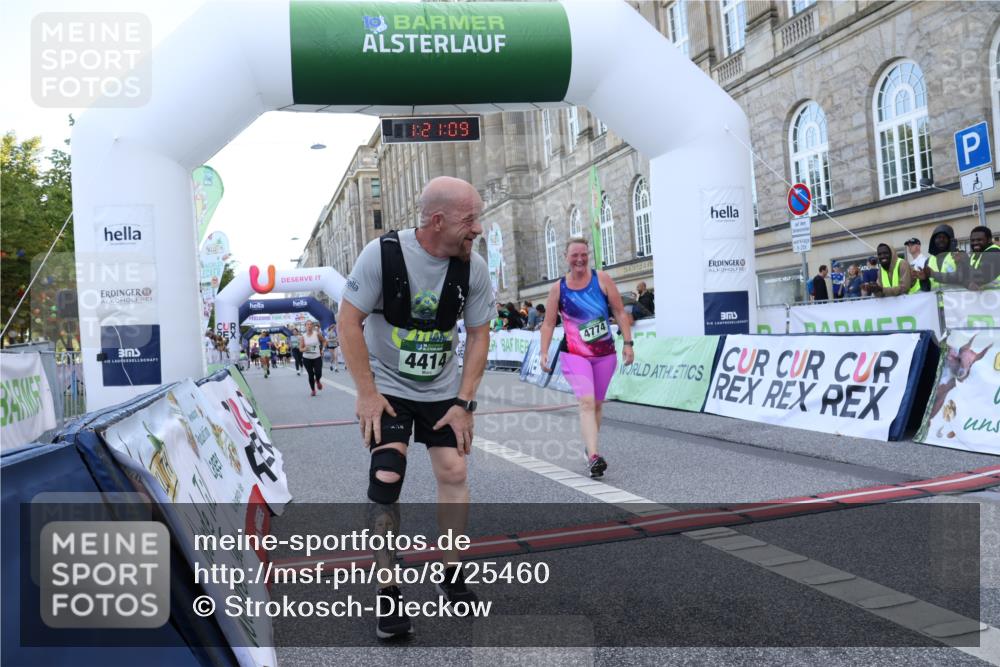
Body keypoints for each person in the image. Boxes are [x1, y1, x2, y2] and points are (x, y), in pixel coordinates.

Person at [338, 176, 492, 640]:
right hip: (388, 385)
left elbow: (479, 335)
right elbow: (348, 321)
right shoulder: (381, 255)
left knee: (454, 471)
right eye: (470, 219)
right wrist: (367, 394)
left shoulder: (473, 267)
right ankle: (388, 590)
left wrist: (464, 402)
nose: (478, 228)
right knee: (387, 475)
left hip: (441, 387)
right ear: (438, 220)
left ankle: (452, 571)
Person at [540, 236, 634, 479]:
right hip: (574, 355)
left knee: (597, 404)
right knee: (587, 402)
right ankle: (594, 456)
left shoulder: (601, 279)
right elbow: (548, 323)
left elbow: (619, 312)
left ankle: (589, 448)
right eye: (575, 255)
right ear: (566, 258)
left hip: (604, 354)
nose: (580, 259)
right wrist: (543, 351)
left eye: (583, 254)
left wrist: (628, 343)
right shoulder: (558, 288)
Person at [916, 224, 968, 290]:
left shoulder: (959, 254)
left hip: (956, 295)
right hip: (935, 296)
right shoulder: (928, 261)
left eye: (944, 237)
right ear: (934, 240)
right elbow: (926, 289)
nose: (941, 239)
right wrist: (924, 280)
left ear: (950, 240)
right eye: (938, 237)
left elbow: (961, 277)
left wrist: (934, 274)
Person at [967, 225, 1000, 290]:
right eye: (972, 240)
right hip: (984, 294)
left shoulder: (994, 252)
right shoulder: (975, 255)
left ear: (989, 240)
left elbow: (980, 277)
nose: (975, 243)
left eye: (979, 240)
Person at [299, 321, 326, 396]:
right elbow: (300, 349)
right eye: (307, 324)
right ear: (305, 326)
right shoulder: (303, 336)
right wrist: (304, 349)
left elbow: (324, 341)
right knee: (310, 374)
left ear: (313, 326)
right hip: (307, 358)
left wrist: (322, 350)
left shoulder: (317, 334)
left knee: (318, 372)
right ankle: (313, 390)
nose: (309, 326)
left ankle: (317, 380)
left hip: (317, 357)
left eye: (311, 324)